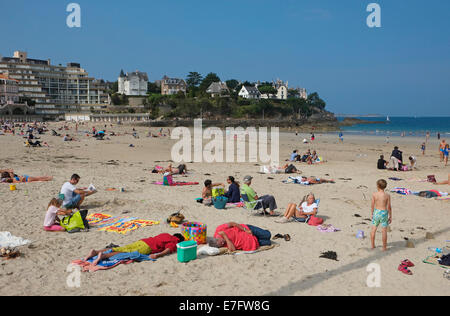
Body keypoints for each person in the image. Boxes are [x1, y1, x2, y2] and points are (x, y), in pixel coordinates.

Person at [84, 233, 185, 265]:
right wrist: (157, 255)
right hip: (147, 247)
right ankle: (103, 256)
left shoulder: (166, 234)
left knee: (123, 248)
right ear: (179, 240)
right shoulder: (174, 241)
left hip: (143, 241)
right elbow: (167, 250)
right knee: (122, 252)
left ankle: (96, 252)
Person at [370, 179, 392, 251]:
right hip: (384, 213)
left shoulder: (374, 194)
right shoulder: (387, 195)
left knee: (373, 229)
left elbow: (372, 205)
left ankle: (373, 245)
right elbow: (389, 207)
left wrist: (372, 213)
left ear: (377, 186)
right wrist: (390, 216)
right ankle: (384, 247)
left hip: (376, 212)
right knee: (384, 231)